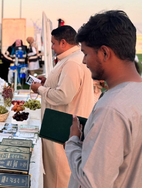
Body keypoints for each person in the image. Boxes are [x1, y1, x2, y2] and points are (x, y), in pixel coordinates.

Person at [65, 10, 142, 188]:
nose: (84, 61)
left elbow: (91, 181)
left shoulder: (112, 108)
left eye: (86, 53)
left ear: (105, 53)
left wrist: (73, 141)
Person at [31, 25, 94, 188]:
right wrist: (48, 81)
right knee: (59, 172)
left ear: (64, 42)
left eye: (53, 43)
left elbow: (63, 96)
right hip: (65, 124)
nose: (51, 47)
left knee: (59, 174)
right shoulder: (71, 58)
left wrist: (40, 89)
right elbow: (65, 86)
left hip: (63, 125)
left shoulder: (73, 62)